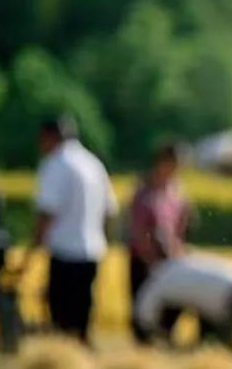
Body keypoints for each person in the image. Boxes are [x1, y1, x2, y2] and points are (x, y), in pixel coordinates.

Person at [30, 116, 117, 344]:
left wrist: (32, 248)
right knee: (82, 319)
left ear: (51, 137)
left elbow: (47, 210)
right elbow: (110, 211)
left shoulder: (56, 164)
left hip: (65, 254)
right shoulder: (93, 163)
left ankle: (67, 366)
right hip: (92, 253)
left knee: (62, 321)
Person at [128, 142, 191, 343]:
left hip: (169, 260)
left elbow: (181, 225)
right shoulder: (144, 191)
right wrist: (150, 259)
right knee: (143, 313)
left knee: (170, 309)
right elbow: (138, 229)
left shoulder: (176, 191)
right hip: (144, 260)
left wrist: (177, 251)